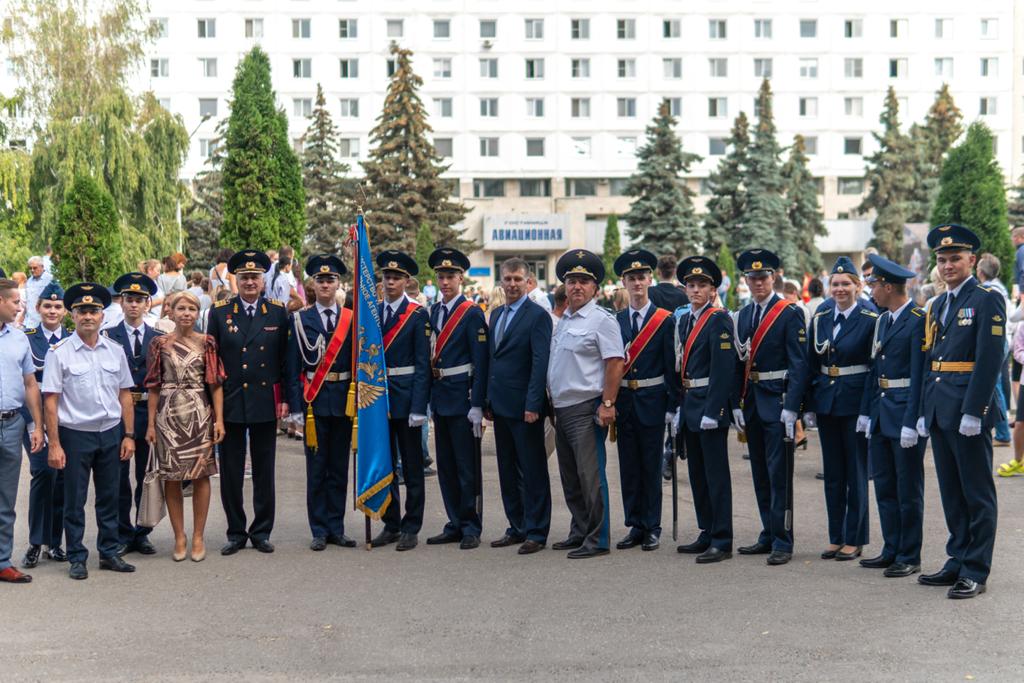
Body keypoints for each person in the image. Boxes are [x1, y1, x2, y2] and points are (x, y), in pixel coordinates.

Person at [917, 224, 1003, 599]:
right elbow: (932, 360)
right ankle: (957, 557)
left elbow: (989, 359)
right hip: (940, 409)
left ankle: (975, 569)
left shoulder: (986, 298)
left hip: (968, 410)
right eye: (942, 259)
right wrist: (924, 409)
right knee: (952, 492)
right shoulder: (938, 303)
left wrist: (976, 409)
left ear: (973, 260)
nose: (948, 265)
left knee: (977, 493)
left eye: (955, 258)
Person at [41, 283, 137, 579]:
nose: (88, 316)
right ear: (72, 315)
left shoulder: (115, 350)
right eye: (82, 311)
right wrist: (54, 444)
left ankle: (109, 552)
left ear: (102, 315)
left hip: (110, 432)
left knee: (109, 496)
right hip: (75, 435)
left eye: (94, 311)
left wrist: (129, 435)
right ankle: (77, 557)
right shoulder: (59, 353)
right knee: (75, 499)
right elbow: (51, 401)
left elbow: (125, 394)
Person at [207, 250, 290, 556]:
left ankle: (262, 530)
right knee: (230, 469)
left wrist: (286, 401)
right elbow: (212, 362)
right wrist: (210, 405)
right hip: (230, 400)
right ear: (236, 280)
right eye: (244, 277)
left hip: (264, 399)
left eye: (255, 277)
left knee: (264, 468)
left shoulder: (278, 312)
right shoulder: (218, 312)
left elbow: (285, 361)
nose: (250, 282)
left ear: (263, 279)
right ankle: (236, 531)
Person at [732, 249, 808, 566]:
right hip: (752, 401)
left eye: (763, 277)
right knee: (760, 472)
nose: (758, 282)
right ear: (746, 280)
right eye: (752, 277)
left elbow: (800, 364)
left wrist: (793, 407)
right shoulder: (745, 315)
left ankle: (783, 538)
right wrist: (736, 403)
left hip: (778, 401)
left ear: (774, 277)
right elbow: (739, 364)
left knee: (780, 475)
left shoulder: (788, 313)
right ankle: (768, 530)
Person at [548, 249, 625, 559]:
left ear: (595, 288)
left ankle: (597, 538)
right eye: (571, 281)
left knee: (591, 476)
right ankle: (579, 530)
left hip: (585, 406)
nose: (576, 287)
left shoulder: (601, 320)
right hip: (561, 408)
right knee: (570, 476)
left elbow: (615, 362)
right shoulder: (565, 319)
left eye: (583, 281)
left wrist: (608, 402)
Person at [802, 257, 876, 563]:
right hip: (827, 402)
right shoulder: (821, 316)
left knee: (855, 472)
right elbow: (810, 362)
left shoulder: (870, 318)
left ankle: (855, 537)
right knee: (833, 473)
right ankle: (836, 535)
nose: (840, 289)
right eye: (835, 284)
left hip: (855, 402)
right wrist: (807, 405)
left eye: (846, 283)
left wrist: (869, 409)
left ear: (858, 287)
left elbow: (874, 368)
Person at [144, 291, 225, 562]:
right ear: (171, 311)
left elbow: (215, 384)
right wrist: (151, 424)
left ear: (197, 312)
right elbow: (153, 385)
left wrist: (219, 420)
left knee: (201, 474)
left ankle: (199, 535)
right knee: (172, 477)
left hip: (200, 414)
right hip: (167, 415)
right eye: (181, 308)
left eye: (192, 308)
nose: (186, 313)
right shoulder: (160, 343)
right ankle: (179, 536)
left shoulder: (207, 343)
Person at [860, 254, 927, 578]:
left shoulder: (917, 319)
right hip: (882, 411)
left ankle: (909, 553)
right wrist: (866, 413)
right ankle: (891, 547)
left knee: (908, 489)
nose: (870, 290)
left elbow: (920, 374)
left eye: (873, 284)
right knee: (885, 486)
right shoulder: (883, 320)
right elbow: (875, 371)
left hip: (903, 413)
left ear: (888, 286)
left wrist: (914, 420)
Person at [285, 255, 358, 552]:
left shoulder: (350, 319)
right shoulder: (300, 319)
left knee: (339, 467)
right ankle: (318, 529)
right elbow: (292, 369)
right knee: (316, 469)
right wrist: (295, 409)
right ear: (312, 284)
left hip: (343, 401)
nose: (325, 284)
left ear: (338, 284)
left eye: (330, 280)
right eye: (320, 280)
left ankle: (336, 528)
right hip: (313, 402)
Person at [485, 258, 553, 555]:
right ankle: (517, 525)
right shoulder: (496, 314)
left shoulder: (538, 316)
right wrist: (487, 399)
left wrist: (533, 402)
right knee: (507, 470)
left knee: (532, 469)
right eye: (507, 279)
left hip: (526, 407)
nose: (512, 284)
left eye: (517, 279)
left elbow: (540, 362)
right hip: (500, 404)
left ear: (529, 283)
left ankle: (537, 531)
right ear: (501, 281)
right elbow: (493, 360)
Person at [611, 249, 677, 552]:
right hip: (624, 401)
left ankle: (652, 526)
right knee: (629, 467)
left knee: (650, 467)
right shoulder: (616, 320)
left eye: (641, 277)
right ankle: (634, 524)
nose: (637, 283)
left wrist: (672, 407)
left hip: (652, 400)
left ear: (650, 279)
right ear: (623, 282)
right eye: (631, 278)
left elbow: (670, 365)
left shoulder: (663, 320)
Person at [425, 248, 488, 549]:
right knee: (447, 465)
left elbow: (481, 360)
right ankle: (454, 520)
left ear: (461, 278)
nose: (445, 282)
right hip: (441, 395)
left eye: (450, 276)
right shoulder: (434, 311)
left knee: (467, 466)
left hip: (463, 397)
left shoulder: (472, 312)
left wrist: (478, 402)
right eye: (441, 276)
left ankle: (471, 524)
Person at [674, 256, 735, 563]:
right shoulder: (686, 320)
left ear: (713, 290)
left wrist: (715, 410)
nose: (696, 290)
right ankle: (706, 530)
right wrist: (678, 408)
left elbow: (724, 369)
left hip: (709, 406)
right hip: (690, 402)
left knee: (716, 476)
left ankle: (722, 539)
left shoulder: (719, 319)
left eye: (702, 285)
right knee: (697, 474)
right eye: (691, 285)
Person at [370, 251, 431, 552]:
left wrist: (420, 407)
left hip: (407, 398)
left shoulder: (418, 314)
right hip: (379, 398)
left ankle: (412, 525)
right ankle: (391, 523)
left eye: (396, 277)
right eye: (386, 276)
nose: (390, 281)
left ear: (407, 281)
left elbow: (423, 365)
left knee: (412, 464)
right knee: (386, 463)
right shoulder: (372, 314)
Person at [103, 272, 164, 557]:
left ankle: (143, 532)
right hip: (118, 414)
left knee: (146, 474)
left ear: (148, 303)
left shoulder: (159, 338)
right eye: (128, 299)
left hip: (149, 413)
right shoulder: (107, 336)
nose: (133, 305)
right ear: (121, 302)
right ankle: (123, 531)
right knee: (118, 476)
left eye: (139, 300)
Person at [19, 283, 68, 570]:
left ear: (65, 311)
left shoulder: (73, 338)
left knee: (61, 477)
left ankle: (55, 542)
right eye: (47, 306)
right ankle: (36, 543)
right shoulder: (26, 338)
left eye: (58, 306)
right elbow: (26, 383)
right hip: (35, 418)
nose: (52, 310)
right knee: (42, 473)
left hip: (64, 417)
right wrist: (36, 423)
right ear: (38, 309)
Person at [0, 278, 45, 584]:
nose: (20, 306)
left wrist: (37, 425)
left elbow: (30, 384)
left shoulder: (18, 339)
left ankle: (2, 561)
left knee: (5, 499)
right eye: (15, 301)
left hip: (12, 424)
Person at [24, 256, 53, 329]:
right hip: (29, 322)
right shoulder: (29, 281)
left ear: (42, 267)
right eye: (30, 268)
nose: (32, 270)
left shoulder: (50, 279)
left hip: (43, 322)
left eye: (35, 268)